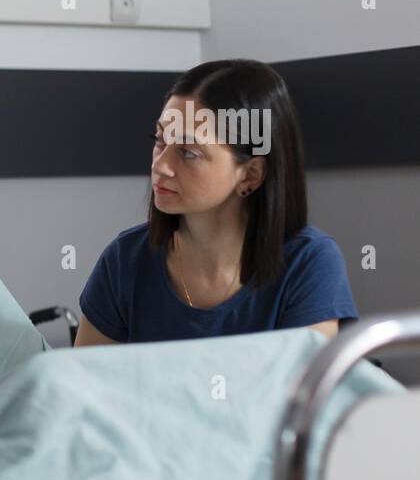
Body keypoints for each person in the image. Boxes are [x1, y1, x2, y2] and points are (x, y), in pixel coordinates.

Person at [75, 59, 358, 346]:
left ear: (251, 174)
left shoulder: (309, 263)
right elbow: (81, 385)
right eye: (160, 140)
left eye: (187, 152)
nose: (160, 166)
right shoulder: (124, 261)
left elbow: (305, 388)